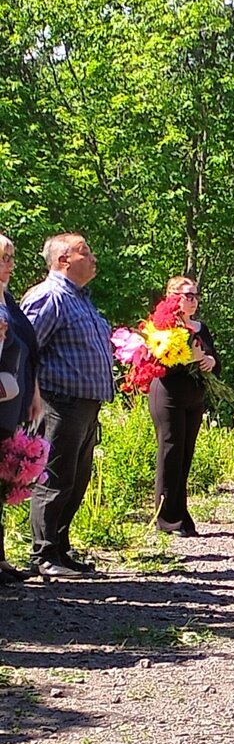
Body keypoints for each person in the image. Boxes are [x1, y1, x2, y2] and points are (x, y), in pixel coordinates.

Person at [22, 233, 113, 579]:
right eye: (85, 253)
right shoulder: (50, 297)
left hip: (85, 406)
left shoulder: (81, 299)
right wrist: (31, 399)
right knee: (54, 478)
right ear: (63, 260)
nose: (93, 259)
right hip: (57, 402)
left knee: (75, 479)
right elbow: (26, 349)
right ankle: (43, 555)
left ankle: (60, 548)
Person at [148, 277, 219, 537]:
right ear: (172, 296)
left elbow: (215, 361)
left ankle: (181, 515)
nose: (193, 300)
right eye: (187, 295)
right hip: (168, 395)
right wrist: (190, 356)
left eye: (195, 295)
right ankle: (166, 518)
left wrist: (209, 360)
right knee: (171, 455)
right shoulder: (164, 326)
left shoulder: (201, 328)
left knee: (185, 456)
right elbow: (161, 363)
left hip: (194, 398)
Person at [0, 233, 42, 584]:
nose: (10, 264)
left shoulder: (9, 300)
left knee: (3, 474)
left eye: (11, 257)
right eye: (3, 257)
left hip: (15, 397)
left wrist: (34, 395)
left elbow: (29, 349)